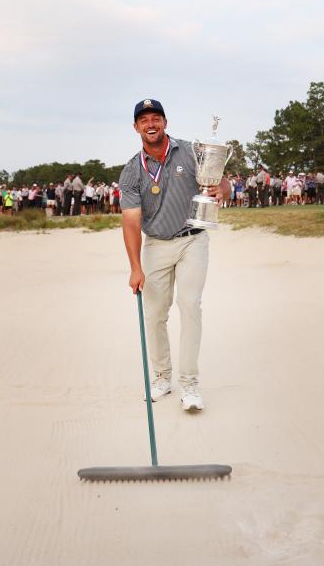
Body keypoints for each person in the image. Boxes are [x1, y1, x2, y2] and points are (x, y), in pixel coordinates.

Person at [119, 98, 217, 412]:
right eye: (144, 120)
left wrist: (223, 188)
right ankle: (162, 376)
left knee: (190, 307)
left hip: (192, 240)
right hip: (156, 245)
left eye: (156, 118)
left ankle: (190, 384)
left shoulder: (190, 151)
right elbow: (131, 221)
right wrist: (135, 268)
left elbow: (220, 180)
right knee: (155, 314)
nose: (151, 124)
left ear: (165, 122)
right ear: (136, 127)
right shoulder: (132, 171)